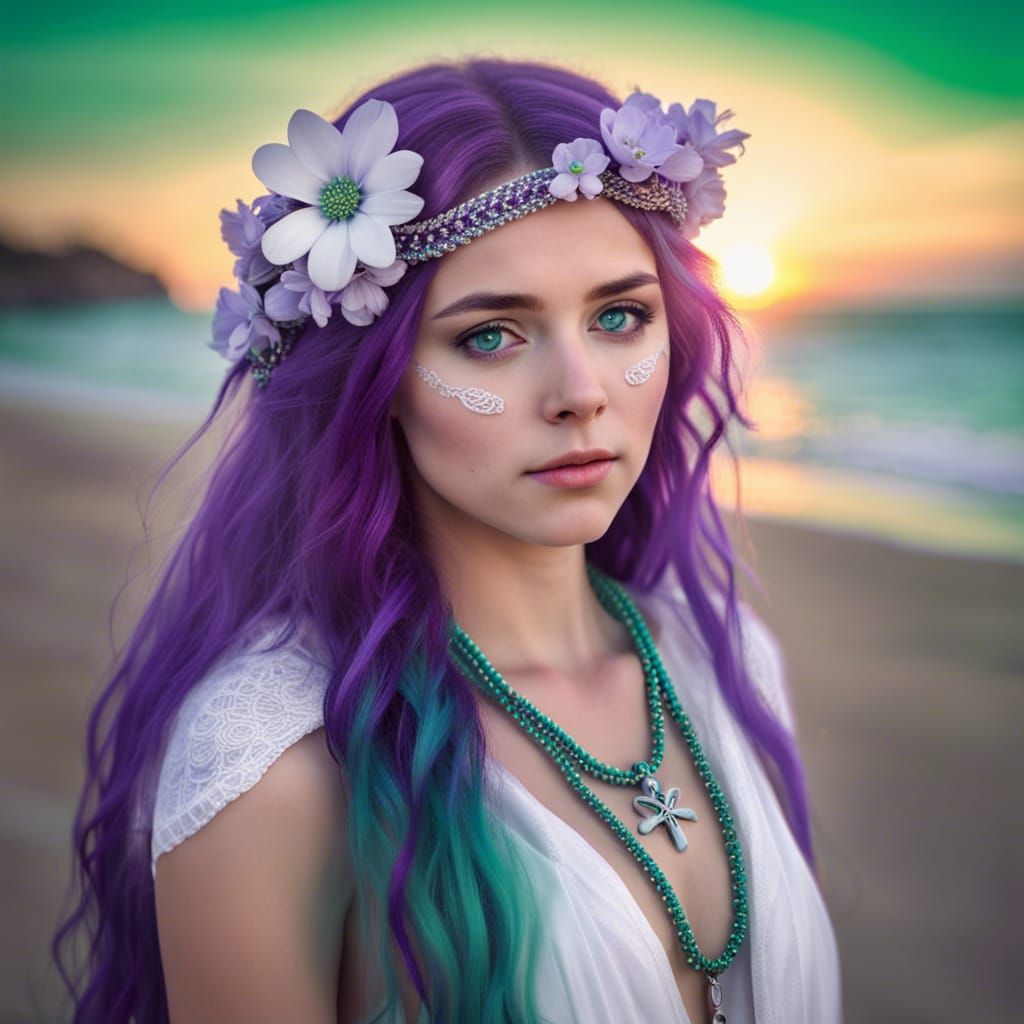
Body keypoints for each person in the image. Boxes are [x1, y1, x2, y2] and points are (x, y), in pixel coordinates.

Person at [51, 56, 842, 1023]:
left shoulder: (728, 666)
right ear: (371, 380)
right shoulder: (280, 765)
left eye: (621, 317)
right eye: (490, 337)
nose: (582, 391)